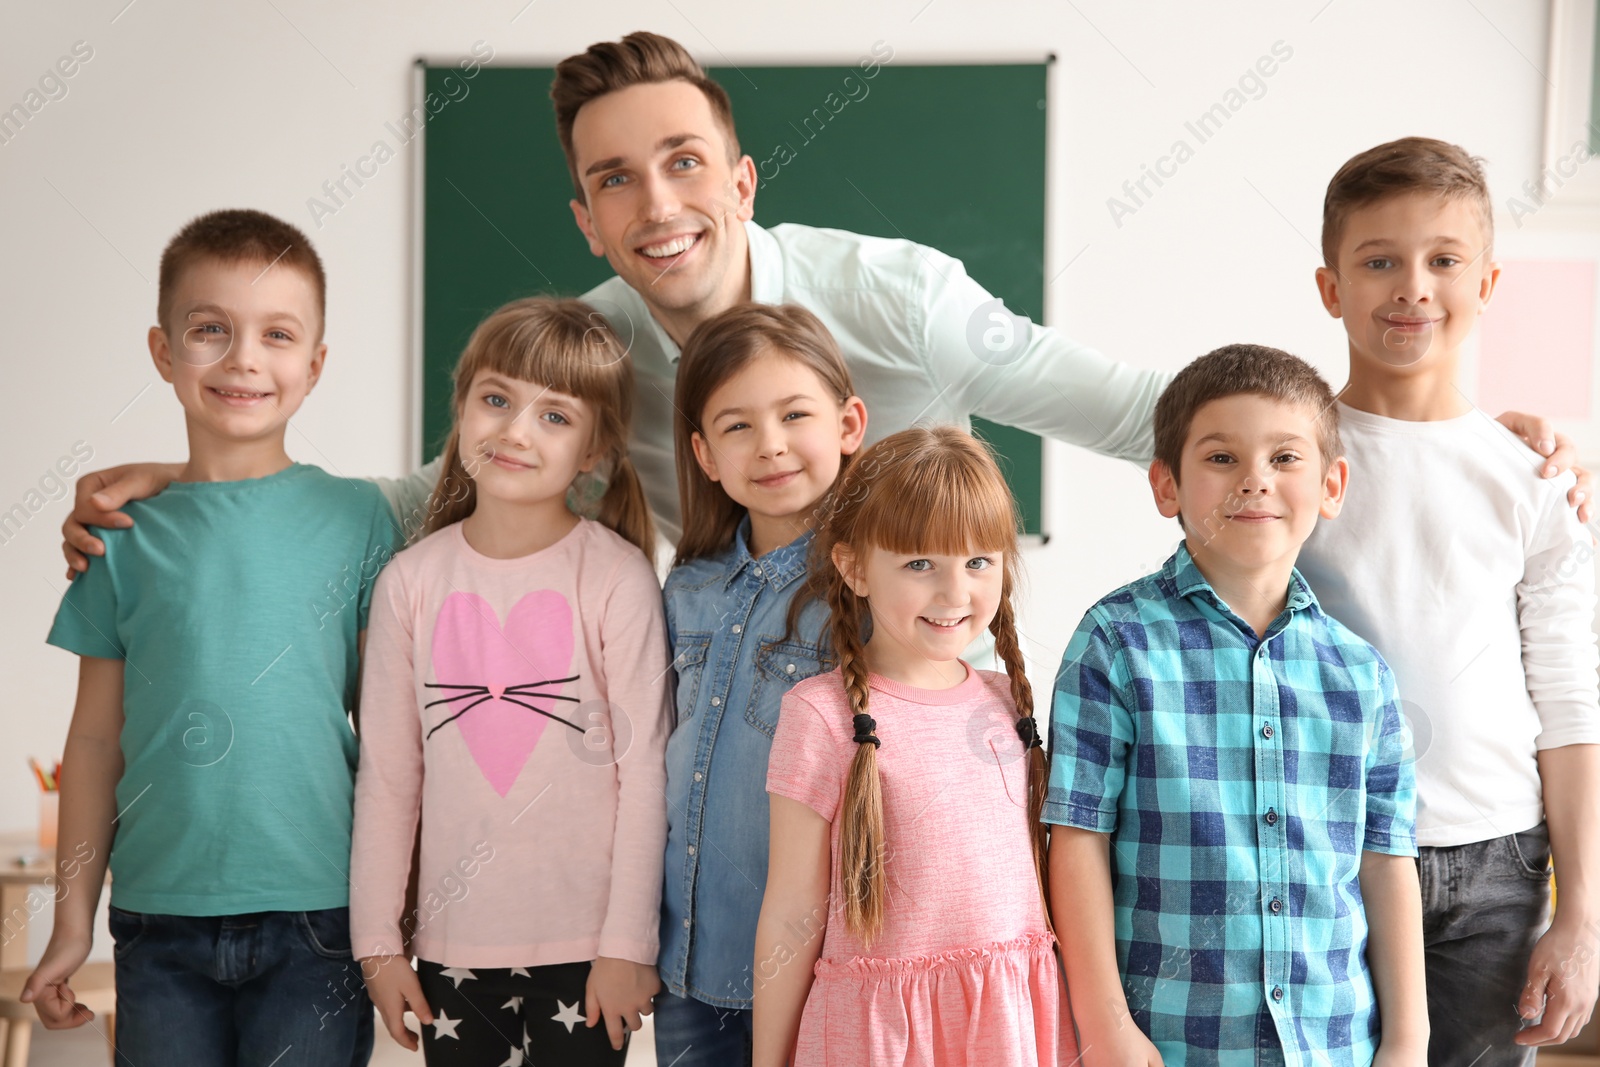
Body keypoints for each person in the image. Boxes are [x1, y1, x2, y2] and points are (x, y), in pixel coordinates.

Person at [57, 33, 1592, 569]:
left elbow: (1147, 409)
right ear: (584, 208)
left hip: (921, 683)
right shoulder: (588, 350)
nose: (655, 205)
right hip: (732, 701)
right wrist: (204, 494)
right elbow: (432, 493)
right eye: (614, 180)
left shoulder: (898, 298)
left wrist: (1426, 431)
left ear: (738, 171)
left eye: (681, 164)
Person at [21, 209, 396, 1064]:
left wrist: (395, 905)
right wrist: (72, 918)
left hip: (321, 918)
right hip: (158, 922)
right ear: (162, 351)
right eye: (210, 331)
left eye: (276, 334)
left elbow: (389, 732)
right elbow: (92, 739)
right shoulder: (120, 532)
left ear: (315, 364)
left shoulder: (360, 518)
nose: (243, 358)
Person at [1297, 137, 1600, 1066]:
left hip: (1499, 865)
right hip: (1322, 846)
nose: (1412, 286)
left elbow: (1569, 698)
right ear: (1331, 287)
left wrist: (1580, 914)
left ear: (1489, 283)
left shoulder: (1533, 478)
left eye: (1443, 260)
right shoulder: (1290, 461)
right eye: (1379, 260)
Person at [1048, 345, 1428, 1067]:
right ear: (1168, 485)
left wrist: (1408, 1042)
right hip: (1171, 1039)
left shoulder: (1361, 672)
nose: (1256, 479)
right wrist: (1105, 1028)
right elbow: (1076, 840)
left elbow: (1386, 862)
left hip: (1333, 1042)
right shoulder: (1116, 643)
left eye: (1286, 458)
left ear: (1331, 484)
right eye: (1222, 458)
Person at [349, 297, 672, 1065]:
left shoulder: (618, 577)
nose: (515, 431)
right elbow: (389, 775)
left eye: (555, 416)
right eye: (495, 400)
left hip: (589, 949)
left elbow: (645, 771)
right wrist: (376, 944)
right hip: (453, 946)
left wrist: (628, 942)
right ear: (460, 408)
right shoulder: (409, 583)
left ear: (594, 451)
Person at [753, 426, 1071, 1067]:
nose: (955, 594)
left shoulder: (1013, 703)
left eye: (978, 561)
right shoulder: (820, 715)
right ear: (854, 566)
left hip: (1009, 1028)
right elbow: (792, 912)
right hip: (878, 1037)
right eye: (920, 563)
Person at [654, 303, 867, 1065]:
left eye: (794, 414)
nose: (770, 445)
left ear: (848, 424)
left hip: (822, 976)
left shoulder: (873, 591)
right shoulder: (687, 589)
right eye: (737, 426)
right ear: (705, 454)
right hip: (688, 969)